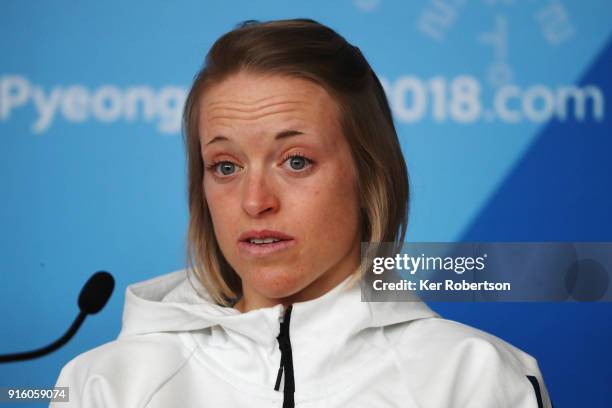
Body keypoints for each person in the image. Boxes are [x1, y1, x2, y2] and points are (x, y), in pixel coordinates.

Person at [51, 19, 552, 407]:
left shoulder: (475, 378)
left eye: (296, 161)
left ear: (369, 174)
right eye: (225, 166)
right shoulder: (103, 385)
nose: (254, 201)